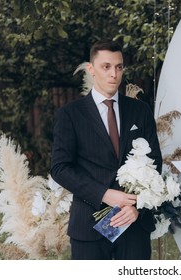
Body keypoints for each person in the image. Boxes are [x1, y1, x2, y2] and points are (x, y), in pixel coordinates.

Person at [50, 39, 162, 260]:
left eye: (119, 67)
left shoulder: (141, 111)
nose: (114, 74)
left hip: (133, 224)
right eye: (106, 66)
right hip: (89, 227)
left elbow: (155, 162)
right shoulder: (70, 114)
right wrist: (103, 194)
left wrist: (138, 205)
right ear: (91, 69)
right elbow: (60, 168)